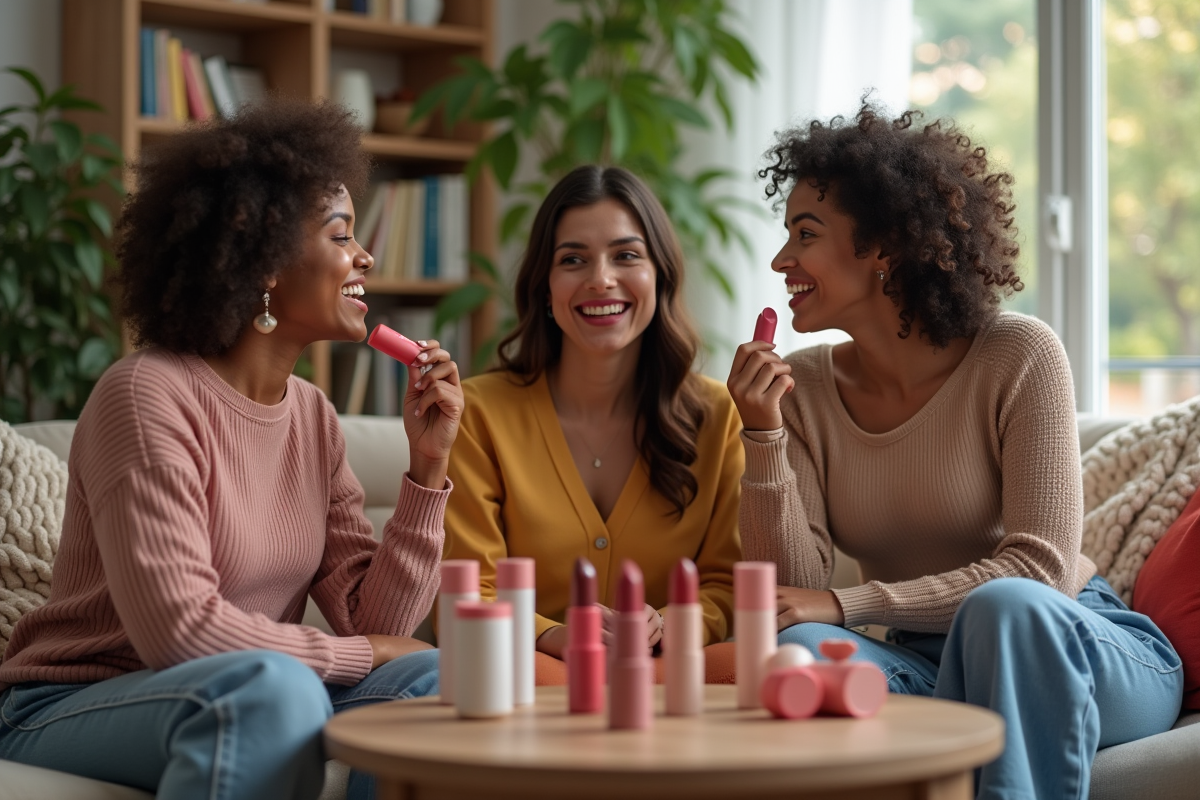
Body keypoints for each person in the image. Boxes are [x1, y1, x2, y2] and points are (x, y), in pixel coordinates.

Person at [0, 99, 464, 800]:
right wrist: (362, 653)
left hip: (257, 683)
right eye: (341, 237)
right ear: (266, 258)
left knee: (430, 682)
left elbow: (381, 626)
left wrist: (427, 469)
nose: (365, 257)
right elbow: (178, 631)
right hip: (83, 700)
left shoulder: (312, 417)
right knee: (271, 692)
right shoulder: (144, 395)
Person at [727, 102, 1182, 798]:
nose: (781, 259)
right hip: (924, 665)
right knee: (800, 653)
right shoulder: (804, 388)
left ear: (882, 246)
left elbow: (1039, 572)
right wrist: (763, 435)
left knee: (1002, 606)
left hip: (1074, 643)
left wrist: (851, 605)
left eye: (806, 234)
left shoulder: (1018, 355)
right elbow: (792, 591)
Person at [443, 165, 743, 666]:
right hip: (527, 671)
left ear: (659, 275)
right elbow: (468, 586)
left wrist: (670, 624)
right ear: (545, 288)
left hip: (666, 672)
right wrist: (558, 637)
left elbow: (729, 584)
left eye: (626, 255)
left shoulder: (719, 415)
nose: (601, 279)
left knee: (754, 665)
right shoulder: (478, 413)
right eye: (573, 260)